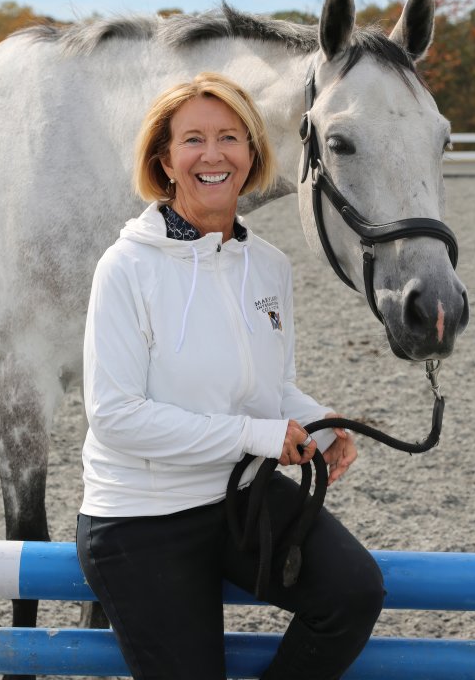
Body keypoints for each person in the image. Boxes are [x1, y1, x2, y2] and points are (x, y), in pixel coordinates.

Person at [76, 72, 384, 680]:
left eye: (230, 138)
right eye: (193, 140)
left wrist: (320, 425)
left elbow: (269, 387)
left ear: (251, 154)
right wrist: (258, 436)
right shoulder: (125, 267)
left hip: (240, 494)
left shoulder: (268, 267)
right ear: (164, 159)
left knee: (353, 593)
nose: (212, 155)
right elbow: (115, 418)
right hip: (142, 519)